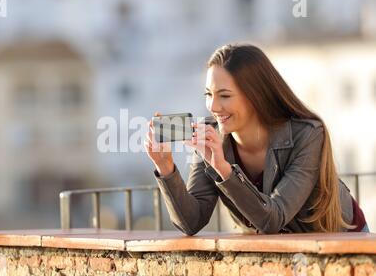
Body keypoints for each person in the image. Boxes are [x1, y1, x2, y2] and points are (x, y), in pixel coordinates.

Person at [144, 43, 369, 235]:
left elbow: (273, 218)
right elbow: (191, 222)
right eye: (208, 95)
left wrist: (224, 170)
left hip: (343, 241)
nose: (213, 106)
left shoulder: (308, 135)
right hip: (281, 251)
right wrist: (166, 168)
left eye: (224, 95)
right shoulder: (212, 137)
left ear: (255, 96)